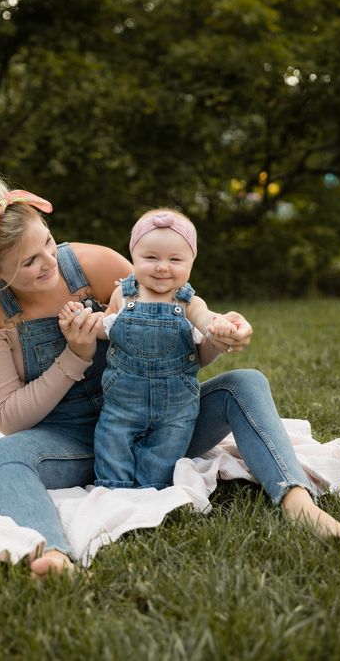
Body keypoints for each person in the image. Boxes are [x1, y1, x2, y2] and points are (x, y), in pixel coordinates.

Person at [0, 159, 340, 579]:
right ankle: (52, 553)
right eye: (30, 263)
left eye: (49, 244)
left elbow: (180, 345)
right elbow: (10, 420)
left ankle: (296, 502)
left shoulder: (94, 265)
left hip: (163, 418)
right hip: (74, 442)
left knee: (245, 385)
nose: (50, 264)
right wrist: (74, 356)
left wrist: (217, 337)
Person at [59, 209, 238, 490]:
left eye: (175, 259)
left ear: (192, 261)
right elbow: (109, 328)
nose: (162, 267)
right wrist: (83, 322)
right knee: (112, 442)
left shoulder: (189, 302)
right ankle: (113, 489)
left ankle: (149, 491)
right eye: (151, 257)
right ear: (133, 258)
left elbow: (205, 323)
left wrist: (218, 328)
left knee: (164, 455)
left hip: (176, 407)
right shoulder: (124, 294)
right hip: (122, 401)